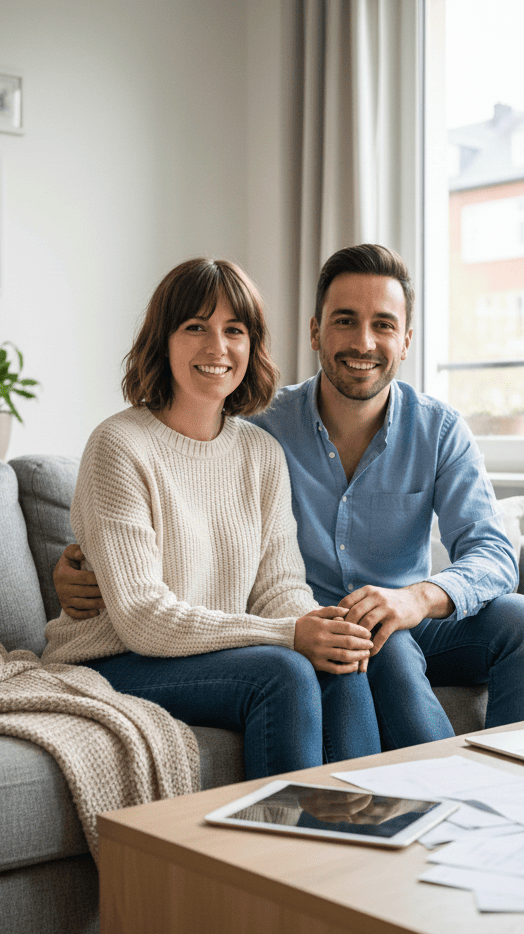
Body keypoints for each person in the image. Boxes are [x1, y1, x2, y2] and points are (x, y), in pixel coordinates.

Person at [56, 245, 524, 749]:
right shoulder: (262, 424)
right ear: (316, 331)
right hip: (310, 624)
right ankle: (428, 790)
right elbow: (149, 526)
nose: (363, 341)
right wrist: (78, 562)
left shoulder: (435, 430)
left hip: (392, 615)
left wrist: (416, 598)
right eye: (345, 321)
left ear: (406, 340)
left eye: (383, 325)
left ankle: (521, 783)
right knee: (360, 648)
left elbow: (492, 553)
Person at [42, 257, 385, 780]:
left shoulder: (261, 453)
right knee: (285, 671)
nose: (217, 347)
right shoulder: (119, 445)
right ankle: (289, 835)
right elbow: (142, 618)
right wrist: (289, 636)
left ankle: (367, 822)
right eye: (195, 327)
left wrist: (322, 630)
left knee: (342, 658)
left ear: (251, 345)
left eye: (234, 330)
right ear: (163, 340)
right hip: (113, 659)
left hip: (208, 654)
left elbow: (279, 588)